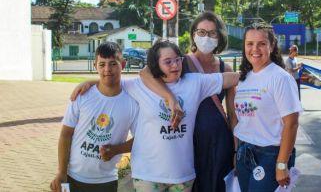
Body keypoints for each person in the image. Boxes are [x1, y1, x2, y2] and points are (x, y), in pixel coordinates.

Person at [70, 40, 240, 192]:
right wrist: (90, 83)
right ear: (156, 65)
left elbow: (233, 78)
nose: (175, 65)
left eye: (177, 59)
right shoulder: (139, 86)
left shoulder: (196, 82)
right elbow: (111, 83)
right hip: (147, 176)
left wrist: (260, 72)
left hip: (183, 176)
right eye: (167, 62)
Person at [140, 11, 237, 192]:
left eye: (212, 33)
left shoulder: (226, 67)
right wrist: (170, 98)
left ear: (220, 36)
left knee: (217, 185)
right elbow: (146, 72)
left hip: (219, 141)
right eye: (201, 32)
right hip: (188, 142)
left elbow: (232, 114)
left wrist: (236, 149)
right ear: (193, 34)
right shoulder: (180, 63)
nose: (206, 37)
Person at [50, 42, 139, 192]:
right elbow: (65, 135)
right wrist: (61, 172)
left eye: (113, 64)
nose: (107, 69)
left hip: (107, 180)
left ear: (123, 64)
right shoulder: (81, 96)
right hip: (72, 176)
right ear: (95, 65)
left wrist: (116, 150)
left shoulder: (132, 103)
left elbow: (141, 139)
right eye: (102, 64)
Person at [234, 23, 303, 192]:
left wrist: (281, 163)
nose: (255, 49)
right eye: (250, 43)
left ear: (272, 46)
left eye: (262, 43)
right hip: (244, 152)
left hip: (270, 155)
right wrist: (236, 154)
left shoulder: (280, 78)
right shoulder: (244, 78)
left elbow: (291, 123)